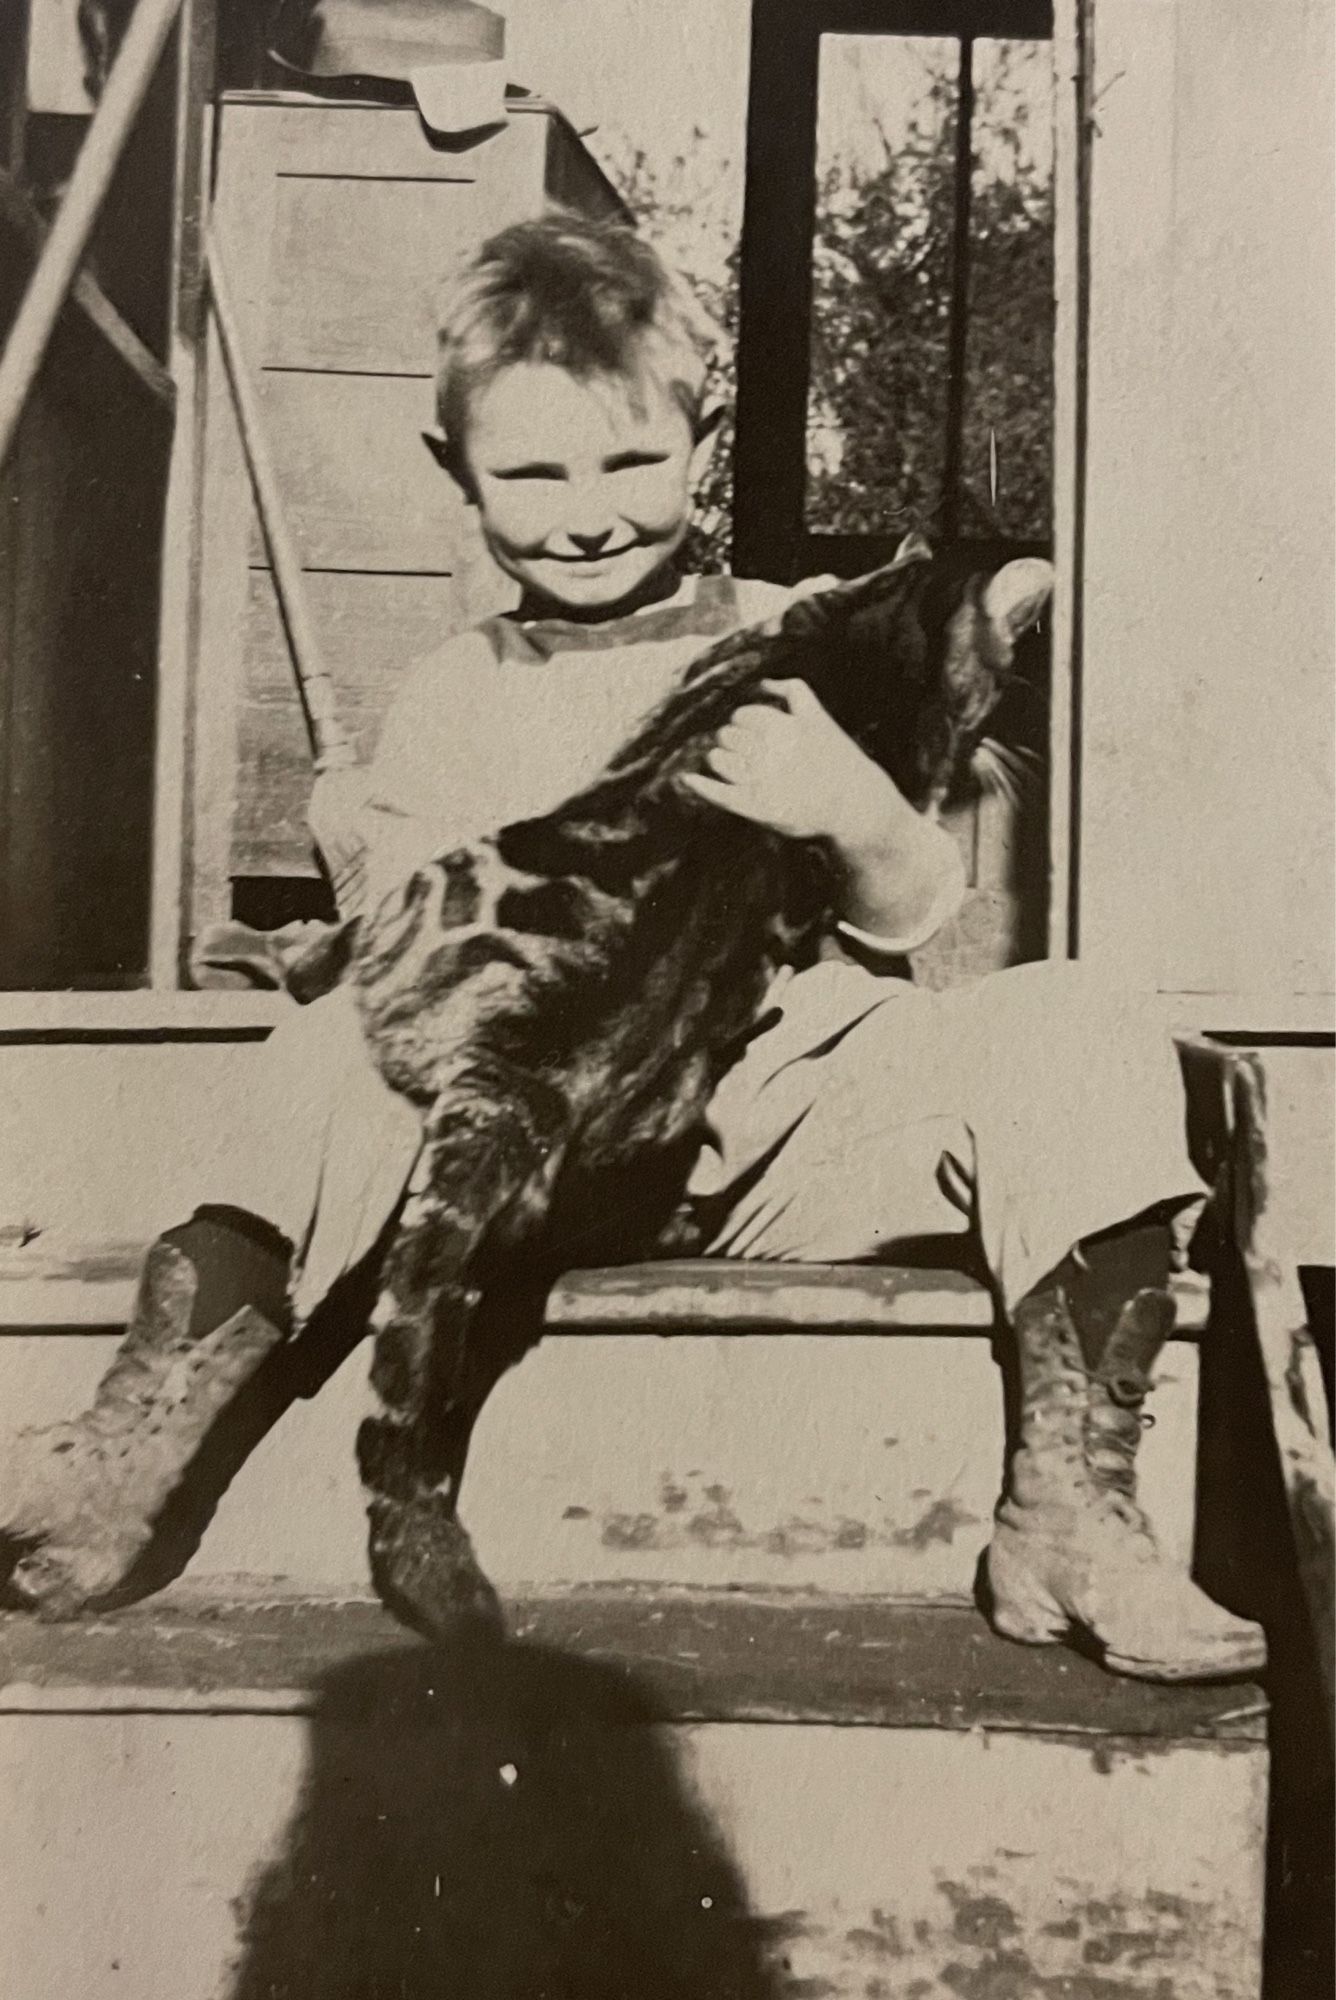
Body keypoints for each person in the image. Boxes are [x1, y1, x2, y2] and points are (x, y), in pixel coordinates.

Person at [0, 213, 1262, 1681]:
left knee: (1079, 1013)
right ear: (453, 475)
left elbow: (938, 928)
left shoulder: (801, 635)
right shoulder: (451, 696)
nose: (589, 512)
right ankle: (135, 1437)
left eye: (631, 461)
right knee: (329, 1050)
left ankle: (1072, 1509)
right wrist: (367, 887)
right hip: (542, 1163)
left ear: (701, 436)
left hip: (785, 1127)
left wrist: (849, 807)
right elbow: (410, 962)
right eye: (532, 473)